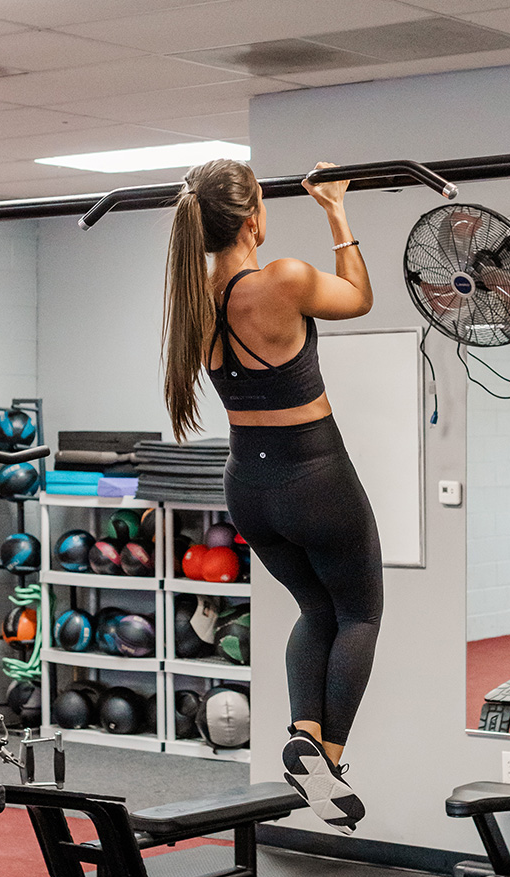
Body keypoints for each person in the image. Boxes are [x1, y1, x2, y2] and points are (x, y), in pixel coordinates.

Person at [162, 159, 382, 834]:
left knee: (315, 609)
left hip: (248, 487)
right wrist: (335, 209)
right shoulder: (281, 280)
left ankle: (304, 736)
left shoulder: (190, 298)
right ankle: (327, 759)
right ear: (254, 215)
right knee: (359, 614)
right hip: (315, 475)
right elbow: (358, 296)